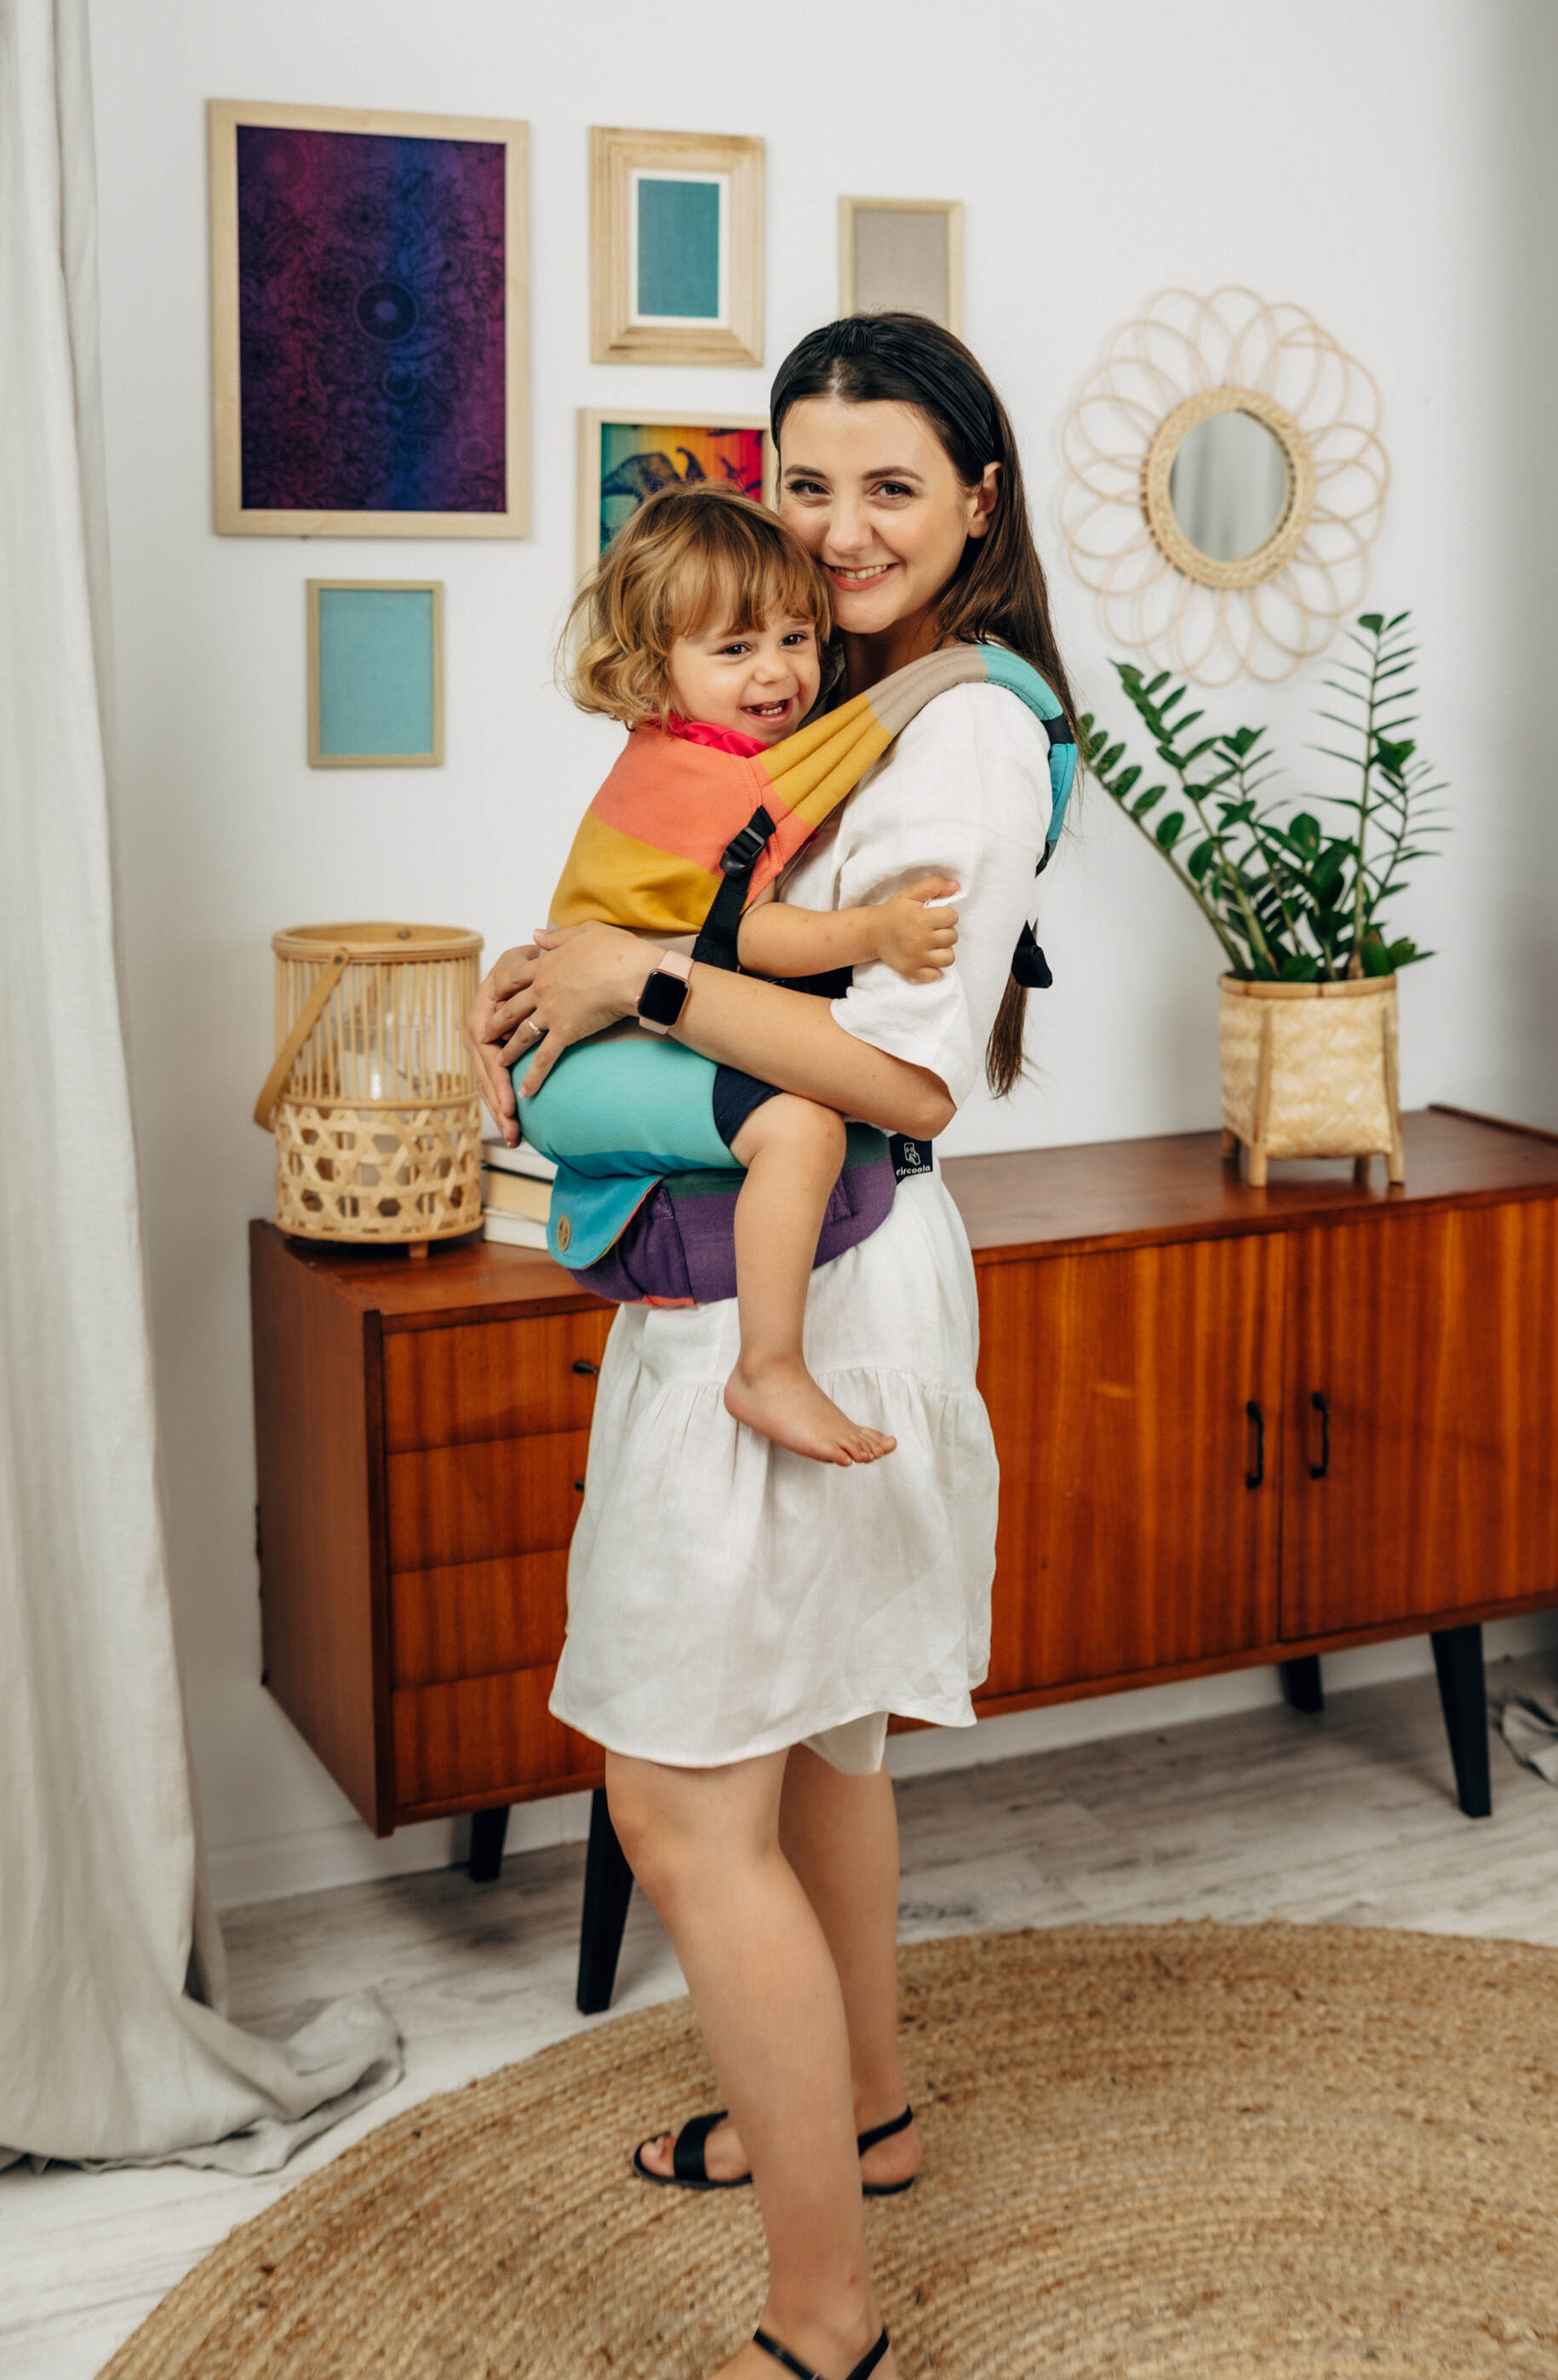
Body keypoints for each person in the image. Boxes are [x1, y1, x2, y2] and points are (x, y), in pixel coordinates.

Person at [466, 314, 1077, 2380]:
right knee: (818, 1746)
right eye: (805, 483)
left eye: (889, 486)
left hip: (803, 1280)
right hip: (782, 1262)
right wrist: (587, 967)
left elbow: (893, 1076)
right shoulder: (845, 708)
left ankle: (820, 2321)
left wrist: (626, 982)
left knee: (676, 1806)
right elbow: (712, 915)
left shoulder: (961, 742)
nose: (837, 530)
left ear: (977, 498)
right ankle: (865, 2120)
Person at [519, 481, 963, 1467]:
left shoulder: (701, 750)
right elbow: (747, 939)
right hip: (579, 1064)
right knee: (801, 1127)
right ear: (654, 669)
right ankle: (767, 1367)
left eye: (796, 638)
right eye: (734, 649)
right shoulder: (699, 781)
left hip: (615, 1032)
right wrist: (873, 932)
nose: (776, 670)